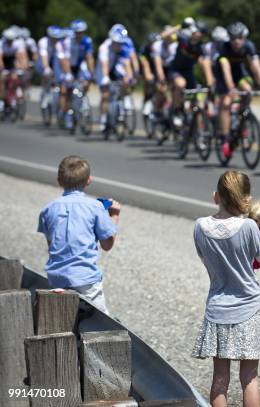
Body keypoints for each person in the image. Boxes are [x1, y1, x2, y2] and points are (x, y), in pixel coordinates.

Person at [192, 170, 260, 407]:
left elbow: (204, 258)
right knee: (249, 378)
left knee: (220, 378)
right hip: (249, 307)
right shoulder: (249, 227)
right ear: (246, 200)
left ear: (215, 196)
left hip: (218, 308)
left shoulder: (199, 227)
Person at [37, 156, 120, 314]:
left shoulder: (47, 209)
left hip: (56, 279)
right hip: (86, 278)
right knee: (100, 324)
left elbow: (52, 245)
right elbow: (107, 245)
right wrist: (114, 216)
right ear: (89, 180)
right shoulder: (96, 207)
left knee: (61, 318)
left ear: (59, 180)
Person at [214, 22, 260, 158]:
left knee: (247, 90)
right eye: (233, 38)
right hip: (224, 75)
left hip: (239, 73)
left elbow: (256, 67)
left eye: (239, 38)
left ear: (244, 38)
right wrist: (230, 88)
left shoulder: (249, 46)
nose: (236, 41)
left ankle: (241, 118)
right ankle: (225, 138)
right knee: (226, 103)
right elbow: (226, 68)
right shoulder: (224, 47)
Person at [163, 19, 209, 127]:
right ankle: (176, 111)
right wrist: (179, 26)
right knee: (180, 84)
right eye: (197, 31)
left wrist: (210, 82)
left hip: (188, 72)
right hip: (175, 70)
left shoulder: (201, 47)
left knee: (197, 101)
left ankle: (197, 133)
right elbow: (165, 36)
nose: (198, 35)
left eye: (201, 33)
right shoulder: (183, 38)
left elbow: (204, 64)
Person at [96, 25, 134, 132]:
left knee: (126, 80)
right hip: (103, 70)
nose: (118, 46)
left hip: (116, 68)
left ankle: (122, 99)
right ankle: (103, 119)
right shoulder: (104, 48)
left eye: (120, 43)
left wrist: (130, 77)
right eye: (116, 43)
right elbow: (104, 65)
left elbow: (127, 64)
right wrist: (106, 78)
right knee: (105, 94)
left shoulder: (124, 47)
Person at [0, 26, 28, 112]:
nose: (10, 41)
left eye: (11, 40)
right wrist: (2, 70)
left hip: (13, 62)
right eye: (8, 40)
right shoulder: (1, 43)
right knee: (2, 80)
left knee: (15, 79)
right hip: (3, 61)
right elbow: (0, 59)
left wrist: (23, 68)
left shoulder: (18, 43)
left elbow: (21, 56)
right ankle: (1, 100)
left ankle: (13, 97)